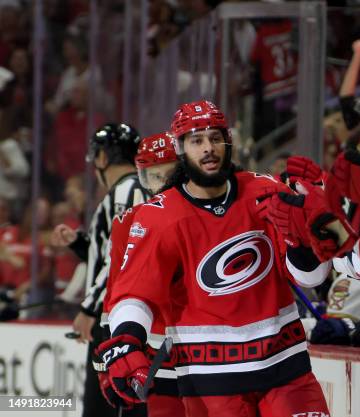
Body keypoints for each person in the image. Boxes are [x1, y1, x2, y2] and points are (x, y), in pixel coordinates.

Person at [103, 100, 330, 417]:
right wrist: (127, 341)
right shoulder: (158, 216)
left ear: (228, 141)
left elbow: (311, 278)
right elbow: (135, 293)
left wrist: (302, 241)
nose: (208, 148)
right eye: (197, 140)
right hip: (210, 383)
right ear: (180, 148)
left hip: (286, 369)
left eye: (215, 138)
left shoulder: (265, 191)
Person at [50, 123, 147, 417]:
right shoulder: (129, 190)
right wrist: (81, 244)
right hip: (118, 315)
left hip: (113, 319)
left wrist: (90, 308)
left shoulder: (126, 190)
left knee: (102, 406)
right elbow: (111, 252)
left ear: (103, 158)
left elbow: (120, 260)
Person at [99, 131, 183, 417]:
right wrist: (110, 357)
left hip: (216, 355)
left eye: (169, 174)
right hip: (158, 356)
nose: (162, 185)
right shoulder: (127, 223)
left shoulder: (206, 216)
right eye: (153, 177)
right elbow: (116, 293)